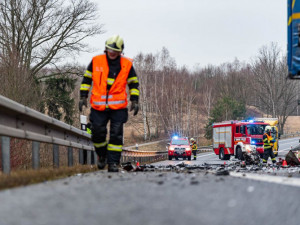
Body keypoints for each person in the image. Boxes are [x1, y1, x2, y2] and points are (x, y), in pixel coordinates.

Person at [79, 35, 139, 172]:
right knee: (97, 133)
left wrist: (135, 100)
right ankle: (102, 156)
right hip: (98, 106)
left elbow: (133, 84)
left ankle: (113, 163)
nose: (112, 53)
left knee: (116, 135)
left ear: (120, 51)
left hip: (118, 107)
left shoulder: (127, 64)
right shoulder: (96, 61)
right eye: (109, 49)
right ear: (106, 49)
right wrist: (83, 97)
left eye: (115, 50)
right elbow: (87, 80)